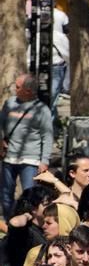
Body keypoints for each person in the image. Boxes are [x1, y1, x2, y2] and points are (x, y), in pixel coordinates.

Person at [0, 74, 54, 219]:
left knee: (30, 197)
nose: (15, 89)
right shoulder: (9, 103)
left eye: (18, 87)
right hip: (9, 158)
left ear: (28, 91)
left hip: (31, 160)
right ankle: (9, 225)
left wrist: (44, 160)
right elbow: (1, 123)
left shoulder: (42, 110)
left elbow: (47, 136)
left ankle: (29, 227)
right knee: (5, 196)